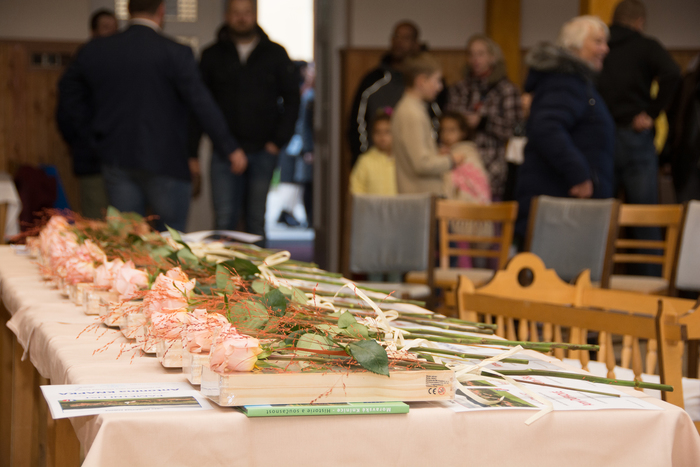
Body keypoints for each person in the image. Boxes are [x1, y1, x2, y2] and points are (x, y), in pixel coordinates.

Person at [57, 0, 239, 232]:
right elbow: (202, 103)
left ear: (128, 10)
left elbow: (68, 92)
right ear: (161, 11)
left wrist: (91, 134)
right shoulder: (175, 52)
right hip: (166, 161)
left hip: (116, 157)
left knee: (128, 239)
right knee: (171, 239)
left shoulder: (97, 49)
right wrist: (229, 147)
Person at [191, 0, 299, 244]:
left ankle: (259, 270)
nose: (241, 18)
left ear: (254, 15)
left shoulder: (275, 53)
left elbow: (293, 100)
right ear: (227, 16)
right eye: (236, 13)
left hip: (264, 150)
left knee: (256, 221)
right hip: (223, 152)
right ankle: (221, 270)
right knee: (224, 220)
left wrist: (277, 142)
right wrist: (193, 153)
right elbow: (200, 108)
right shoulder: (211, 55)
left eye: (247, 12)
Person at [514, 16, 615, 238]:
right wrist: (579, 174)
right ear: (575, 45)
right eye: (598, 42)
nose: (605, 49)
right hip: (561, 204)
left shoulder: (576, 80)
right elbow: (547, 128)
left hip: (566, 204)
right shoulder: (565, 80)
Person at [598, 0, 681, 208]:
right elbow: (672, 73)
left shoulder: (600, 47)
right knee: (643, 213)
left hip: (601, 133)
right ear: (639, 22)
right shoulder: (646, 46)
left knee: (601, 212)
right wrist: (651, 113)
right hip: (634, 132)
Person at [348, 21, 445, 166]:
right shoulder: (373, 81)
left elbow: (439, 122)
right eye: (396, 36)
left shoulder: (428, 86)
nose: (399, 42)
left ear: (416, 44)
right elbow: (357, 122)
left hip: (416, 164)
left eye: (406, 38)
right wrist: (365, 158)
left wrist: (434, 155)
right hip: (377, 164)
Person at [56, 9, 118, 219]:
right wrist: (88, 141)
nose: (111, 33)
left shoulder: (122, 61)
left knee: (125, 223)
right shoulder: (83, 61)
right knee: (97, 221)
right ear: (93, 32)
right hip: (93, 160)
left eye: (115, 29)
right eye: (106, 28)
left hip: (123, 163)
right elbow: (67, 111)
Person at [446, 35, 523, 201]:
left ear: (492, 57)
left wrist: (483, 121)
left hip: (492, 164)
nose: (475, 59)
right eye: (471, 54)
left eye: (481, 54)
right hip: (461, 161)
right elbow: (447, 123)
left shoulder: (507, 90)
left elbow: (513, 129)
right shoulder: (459, 89)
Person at [392, 52, 463, 195]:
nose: (440, 87)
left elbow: (416, 155)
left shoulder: (414, 108)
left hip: (421, 196)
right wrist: (451, 160)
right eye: (437, 81)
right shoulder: (412, 113)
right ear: (421, 81)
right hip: (421, 198)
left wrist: (436, 155)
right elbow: (421, 164)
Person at [277, 61, 315, 227]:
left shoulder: (310, 93)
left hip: (298, 142)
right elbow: (302, 124)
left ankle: (290, 212)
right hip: (294, 142)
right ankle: (286, 211)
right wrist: (308, 148)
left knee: (299, 180)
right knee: (292, 178)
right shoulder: (304, 94)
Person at [439, 112, 490, 205]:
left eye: (452, 130)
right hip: (451, 205)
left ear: (463, 132)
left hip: (468, 206)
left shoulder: (468, 152)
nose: (446, 135)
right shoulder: (442, 152)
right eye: (443, 130)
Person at [666, 59, 700, 202]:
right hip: (688, 163)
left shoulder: (687, 82)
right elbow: (673, 121)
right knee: (689, 210)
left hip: (685, 162)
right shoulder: (688, 83)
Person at [350, 111, 396, 196]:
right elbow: (356, 191)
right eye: (378, 132)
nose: (382, 137)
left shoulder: (402, 161)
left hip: (397, 204)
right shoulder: (365, 161)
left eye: (387, 132)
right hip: (371, 205)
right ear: (372, 134)